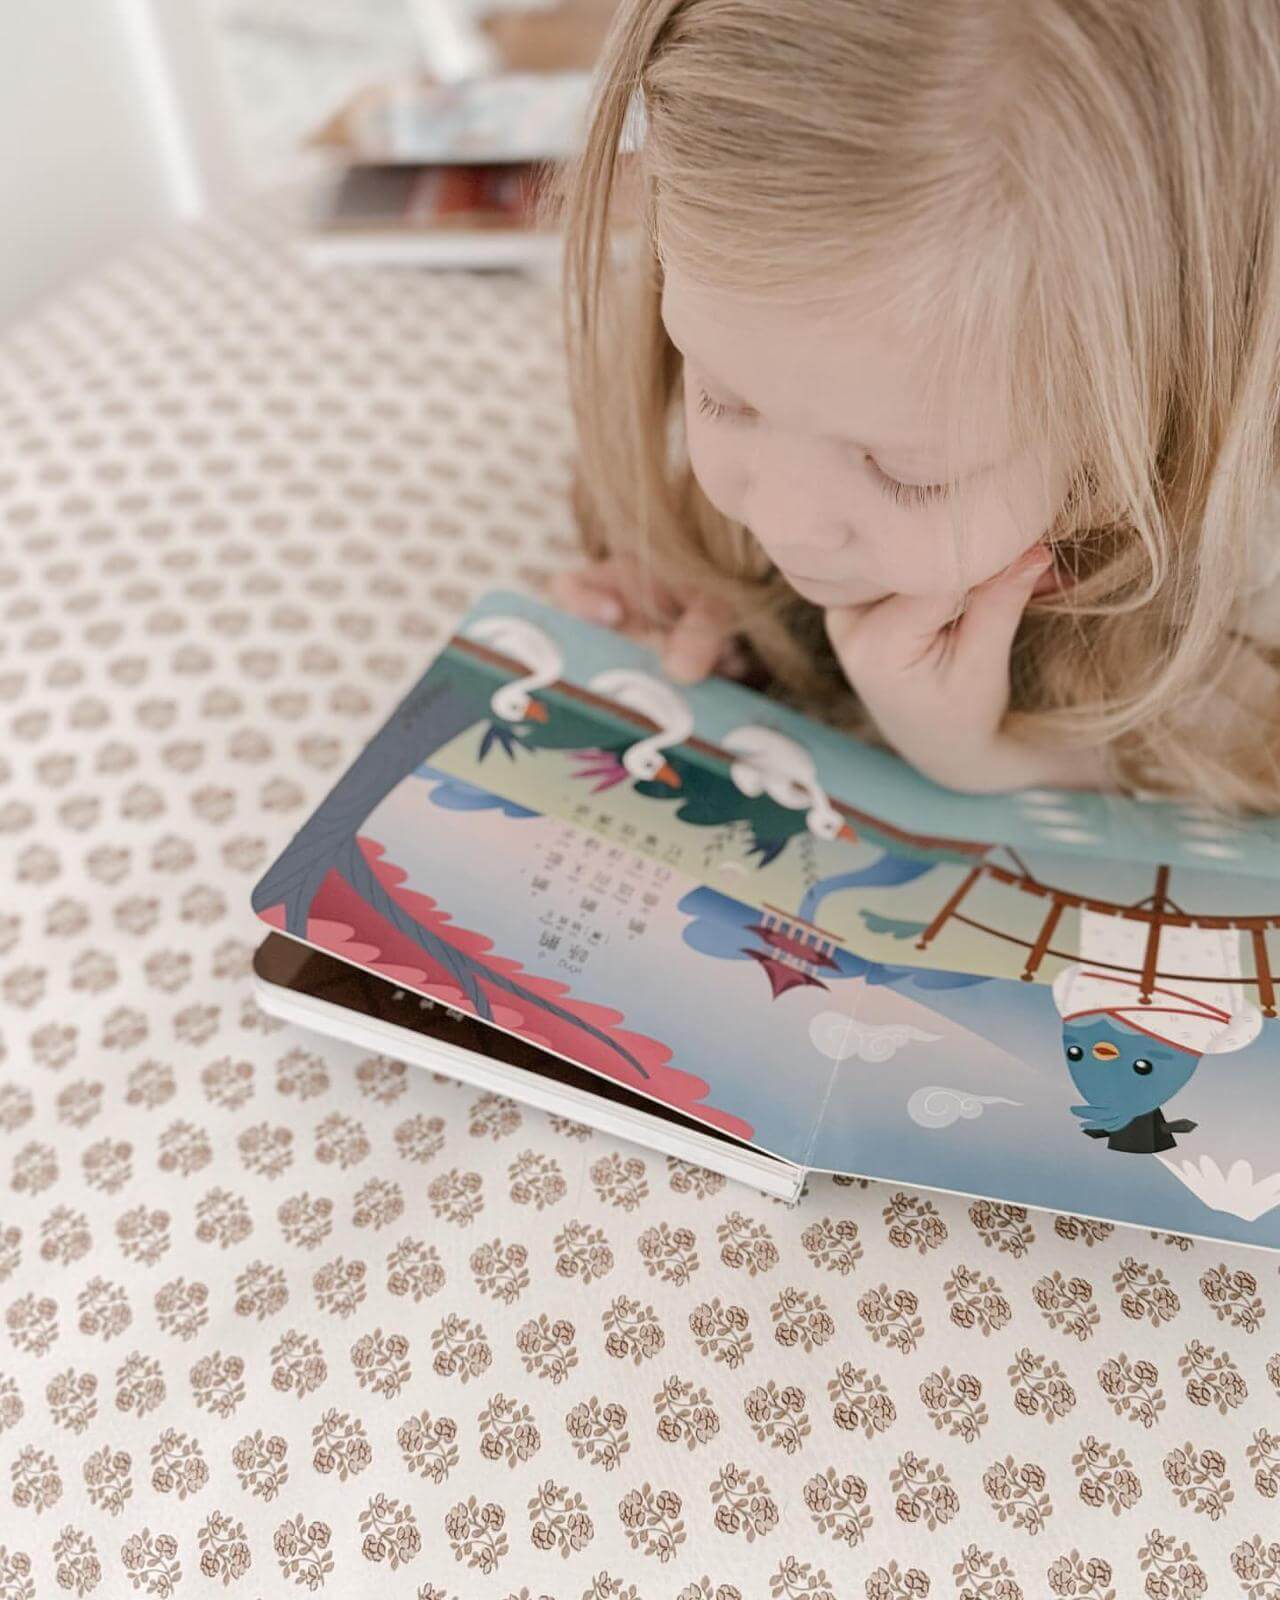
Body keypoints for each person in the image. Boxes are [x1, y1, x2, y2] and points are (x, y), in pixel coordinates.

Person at [550, 0, 1280, 807]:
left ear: (1147, 410)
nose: (787, 523)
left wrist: (1001, 758)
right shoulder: (812, 326)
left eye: (909, 474)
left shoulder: (1252, 560)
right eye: (724, 400)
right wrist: (725, 600)